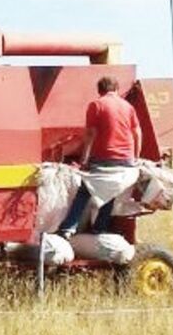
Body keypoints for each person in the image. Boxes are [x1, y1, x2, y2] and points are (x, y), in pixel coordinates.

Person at [57, 76, 141, 238]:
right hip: (126, 161)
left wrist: (84, 159)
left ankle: (68, 227)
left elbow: (90, 134)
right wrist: (135, 158)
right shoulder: (128, 107)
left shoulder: (96, 105)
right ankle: (99, 228)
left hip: (104, 158)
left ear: (100, 91)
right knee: (110, 190)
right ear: (116, 89)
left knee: (85, 190)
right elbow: (137, 132)